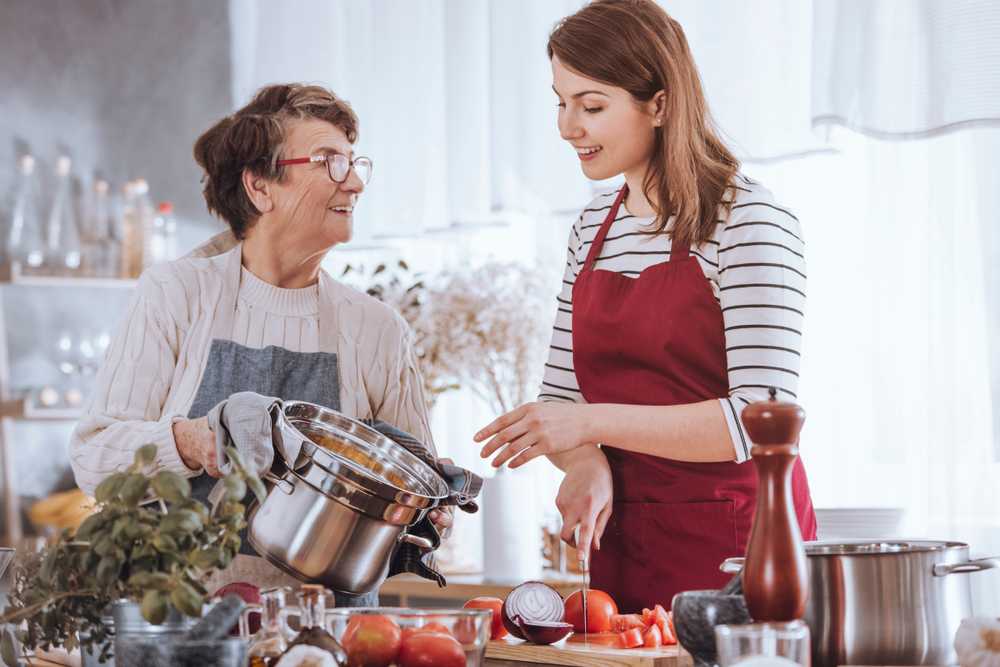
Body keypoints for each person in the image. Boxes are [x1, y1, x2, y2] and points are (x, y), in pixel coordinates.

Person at [475, 0, 816, 612]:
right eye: (561, 101)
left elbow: (759, 420)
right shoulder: (591, 229)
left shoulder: (748, 220)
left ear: (659, 104)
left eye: (593, 105)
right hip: (624, 549)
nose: (567, 126)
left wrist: (592, 425)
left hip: (739, 553)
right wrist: (583, 463)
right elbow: (561, 401)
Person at [70, 83, 452, 606]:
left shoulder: (376, 328)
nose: (356, 181)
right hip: (185, 626)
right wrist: (193, 441)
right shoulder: (177, 294)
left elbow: (416, 499)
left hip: (329, 639)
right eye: (329, 162)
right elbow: (93, 459)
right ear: (260, 187)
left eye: (354, 162)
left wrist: (430, 506)